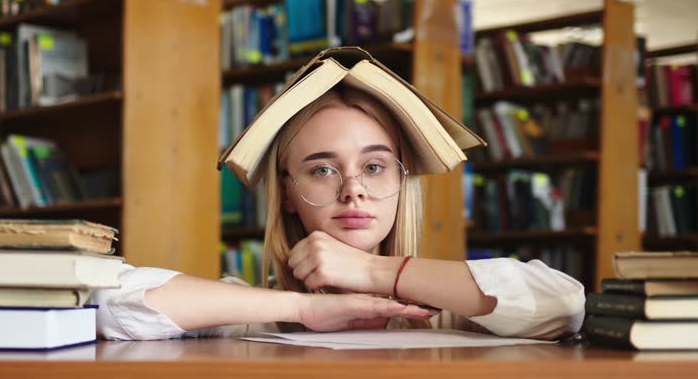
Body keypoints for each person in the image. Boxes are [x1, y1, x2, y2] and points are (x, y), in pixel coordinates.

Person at [94, 54, 585, 341]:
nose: (354, 190)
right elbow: (109, 301)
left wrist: (374, 272)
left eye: (374, 166)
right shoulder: (250, 313)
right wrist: (302, 309)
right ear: (287, 193)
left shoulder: (452, 309)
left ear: (402, 180)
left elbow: (567, 303)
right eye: (323, 169)